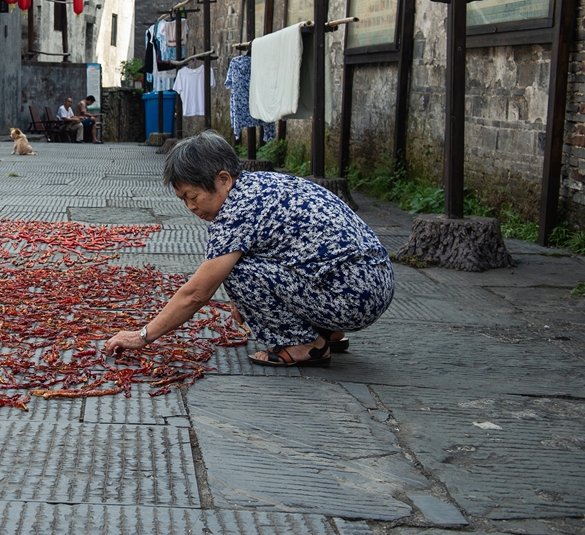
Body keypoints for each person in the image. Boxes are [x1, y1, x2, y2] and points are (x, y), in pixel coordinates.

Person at [104, 130, 393, 366]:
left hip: (352, 298)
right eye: (183, 200)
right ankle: (328, 331)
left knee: (237, 272)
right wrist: (245, 301)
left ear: (224, 180)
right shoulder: (259, 185)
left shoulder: (236, 212)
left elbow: (196, 293)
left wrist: (142, 336)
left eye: (193, 196)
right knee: (238, 267)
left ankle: (306, 345)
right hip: (373, 282)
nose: (191, 207)